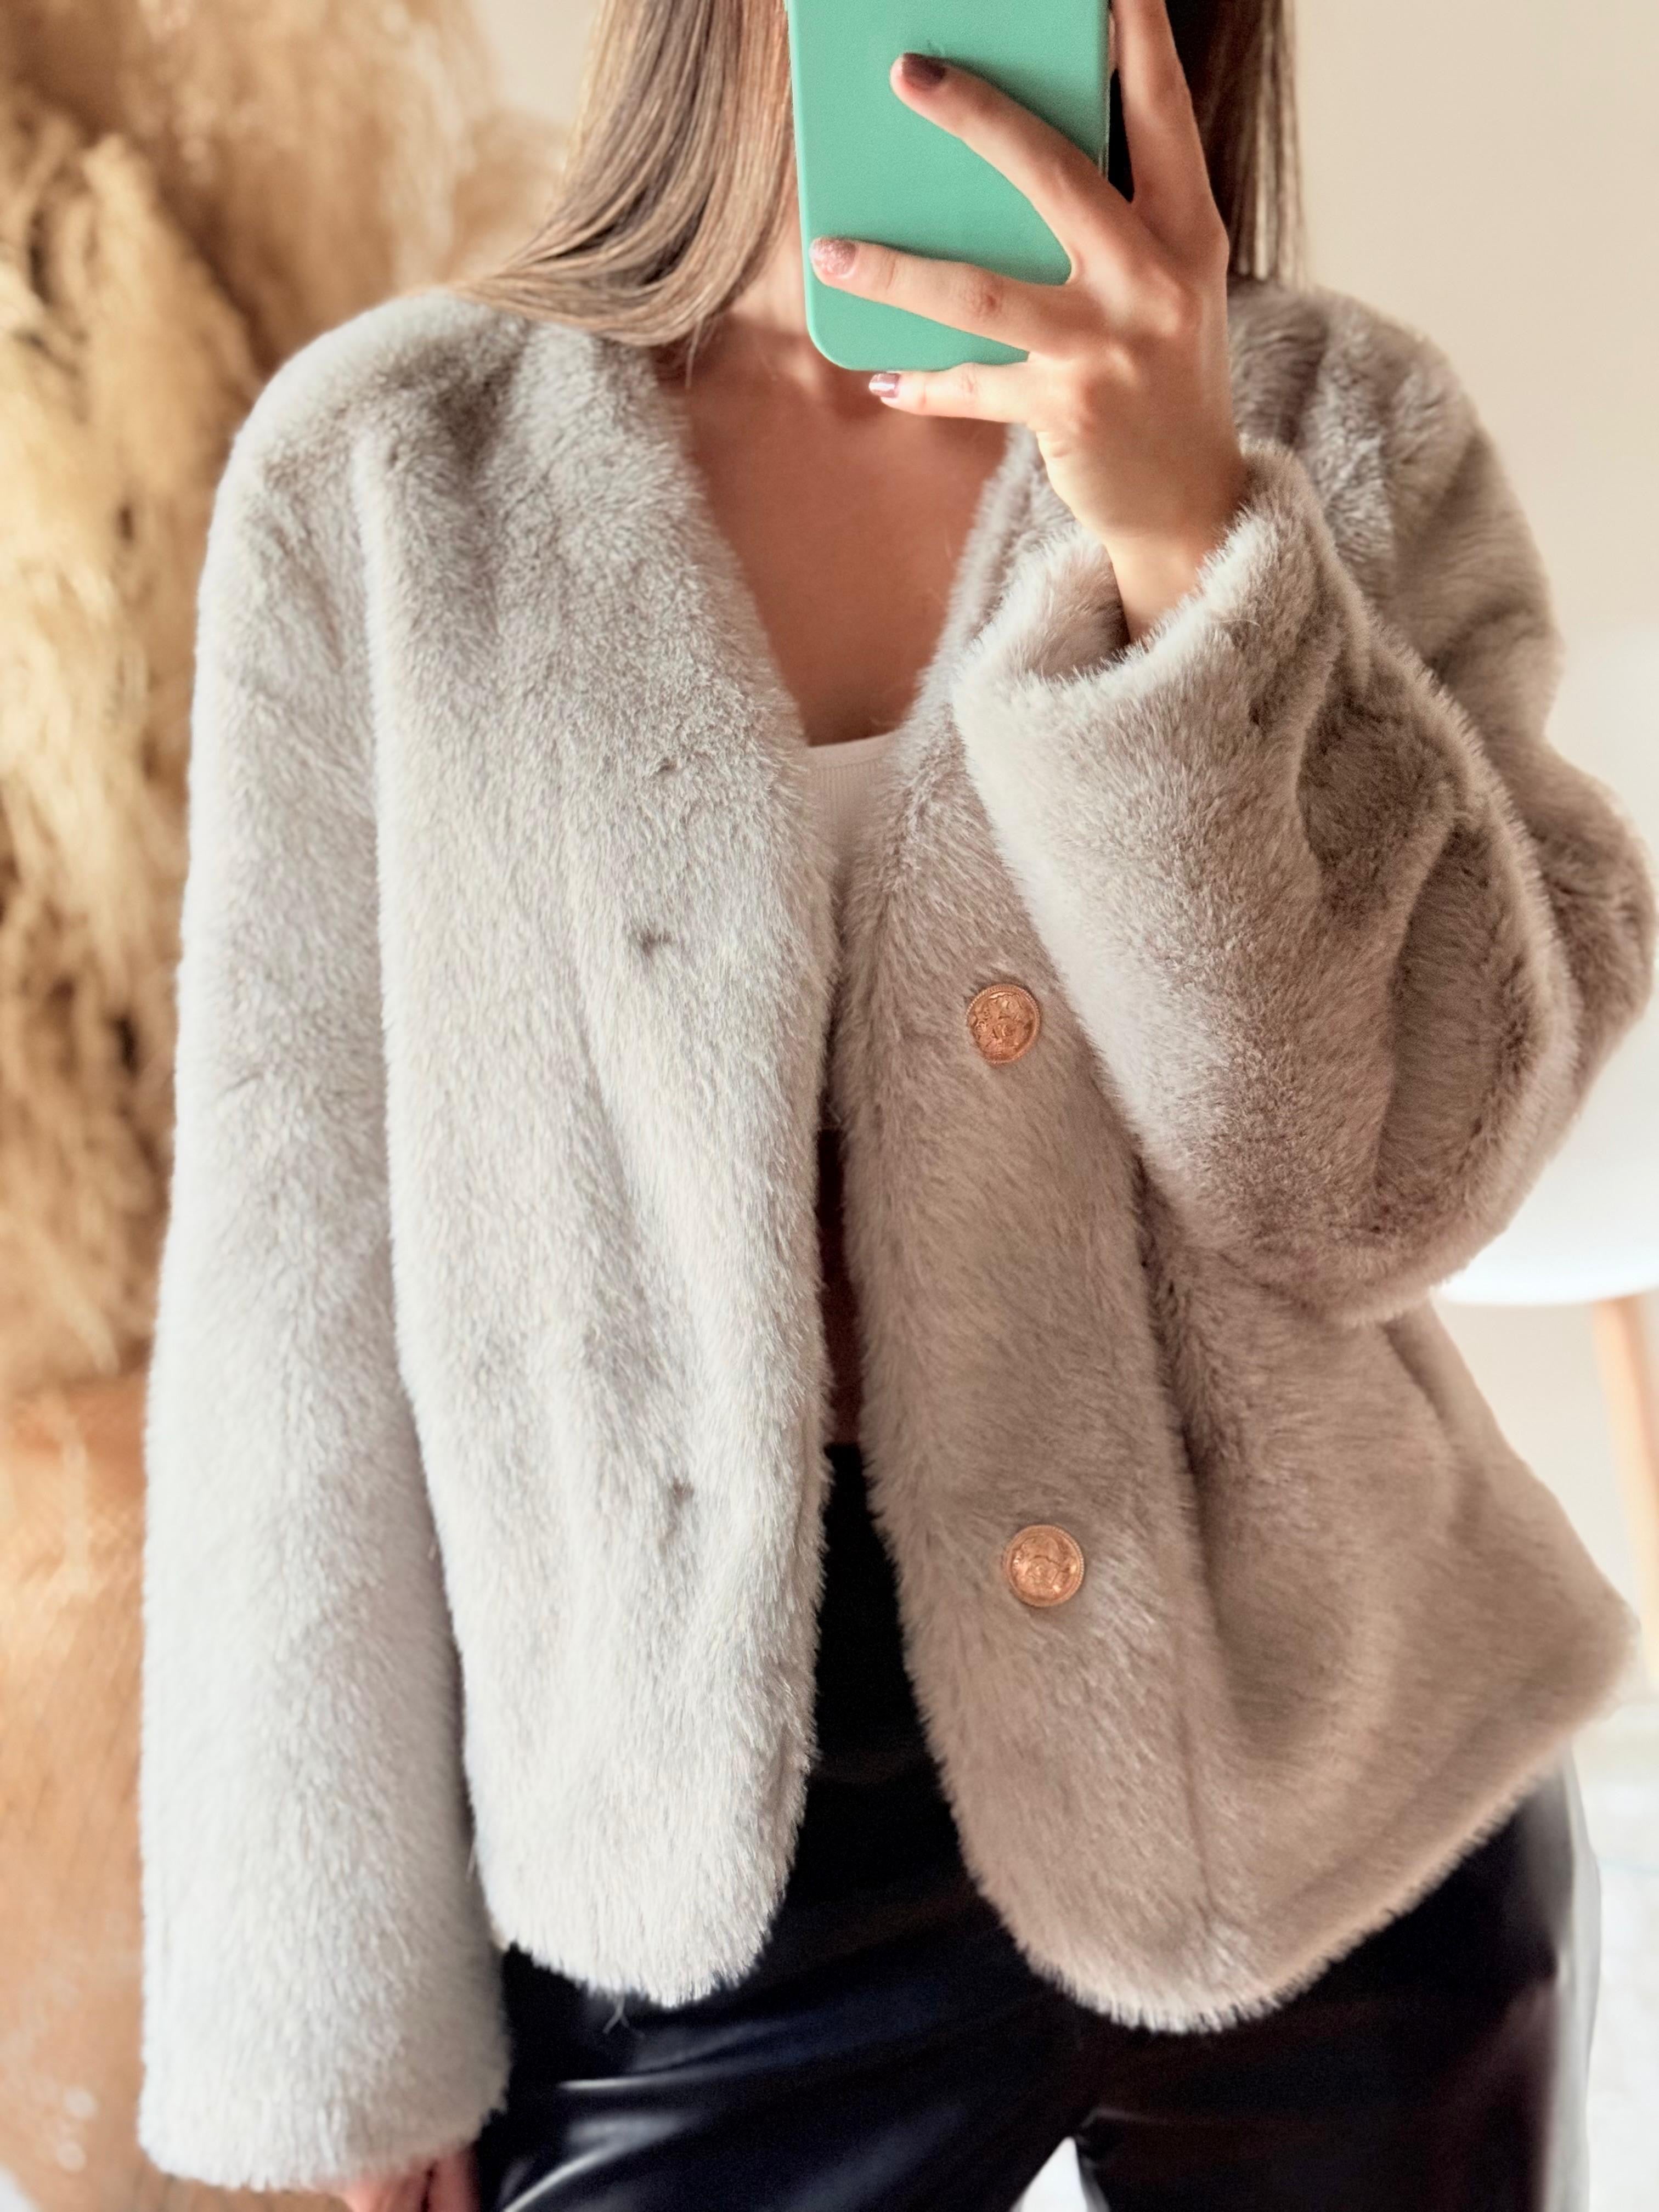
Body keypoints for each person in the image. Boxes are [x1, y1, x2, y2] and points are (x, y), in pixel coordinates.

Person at [134, 2, 1656, 2208]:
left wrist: (1189, 540)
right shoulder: (394, 476)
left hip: (1329, 1794)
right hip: (698, 1855)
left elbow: (1377, 1189)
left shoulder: (1336, 424)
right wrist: (347, 2027)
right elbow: (295, 1285)